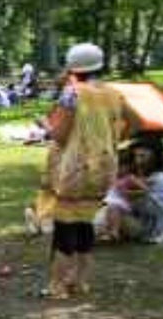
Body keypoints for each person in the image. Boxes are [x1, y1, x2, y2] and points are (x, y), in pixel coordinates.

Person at [44, 43, 134, 298]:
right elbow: (135, 123)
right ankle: (81, 281)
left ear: (72, 68)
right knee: (85, 220)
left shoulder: (72, 93)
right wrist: (112, 139)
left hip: (75, 167)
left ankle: (58, 285)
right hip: (104, 167)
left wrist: (48, 127)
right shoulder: (114, 94)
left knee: (64, 223)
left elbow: (60, 135)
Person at [99, 136, 163, 244]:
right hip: (127, 215)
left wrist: (138, 197)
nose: (138, 161)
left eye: (143, 156)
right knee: (107, 211)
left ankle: (110, 233)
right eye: (136, 156)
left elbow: (157, 210)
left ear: (155, 157)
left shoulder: (160, 179)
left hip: (146, 227)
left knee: (110, 214)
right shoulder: (131, 175)